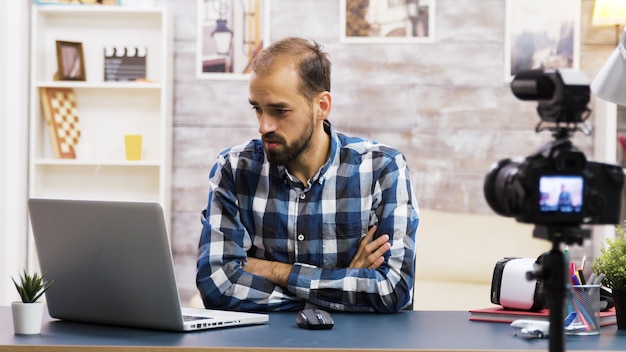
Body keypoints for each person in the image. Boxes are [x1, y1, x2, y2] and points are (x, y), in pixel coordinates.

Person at [196, 37, 419, 313]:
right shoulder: (233, 168)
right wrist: (344, 285)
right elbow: (216, 286)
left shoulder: (382, 168)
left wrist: (274, 271)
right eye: (258, 109)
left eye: (279, 111)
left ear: (322, 106)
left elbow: (391, 289)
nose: (263, 126)